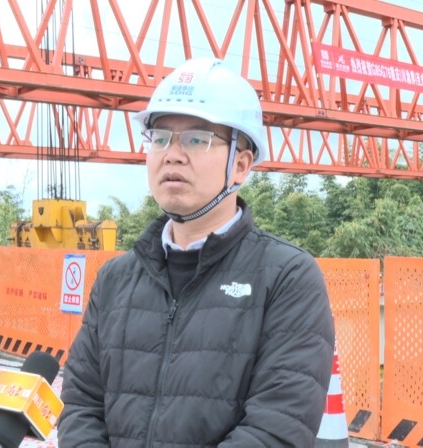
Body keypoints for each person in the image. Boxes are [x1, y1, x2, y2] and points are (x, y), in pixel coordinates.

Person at [58, 58, 336, 447]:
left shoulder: (287, 277)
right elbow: (81, 404)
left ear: (240, 166)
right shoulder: (115, 279)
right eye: (160, 138)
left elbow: (277, 427)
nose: (171, 154)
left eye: (195, 139)